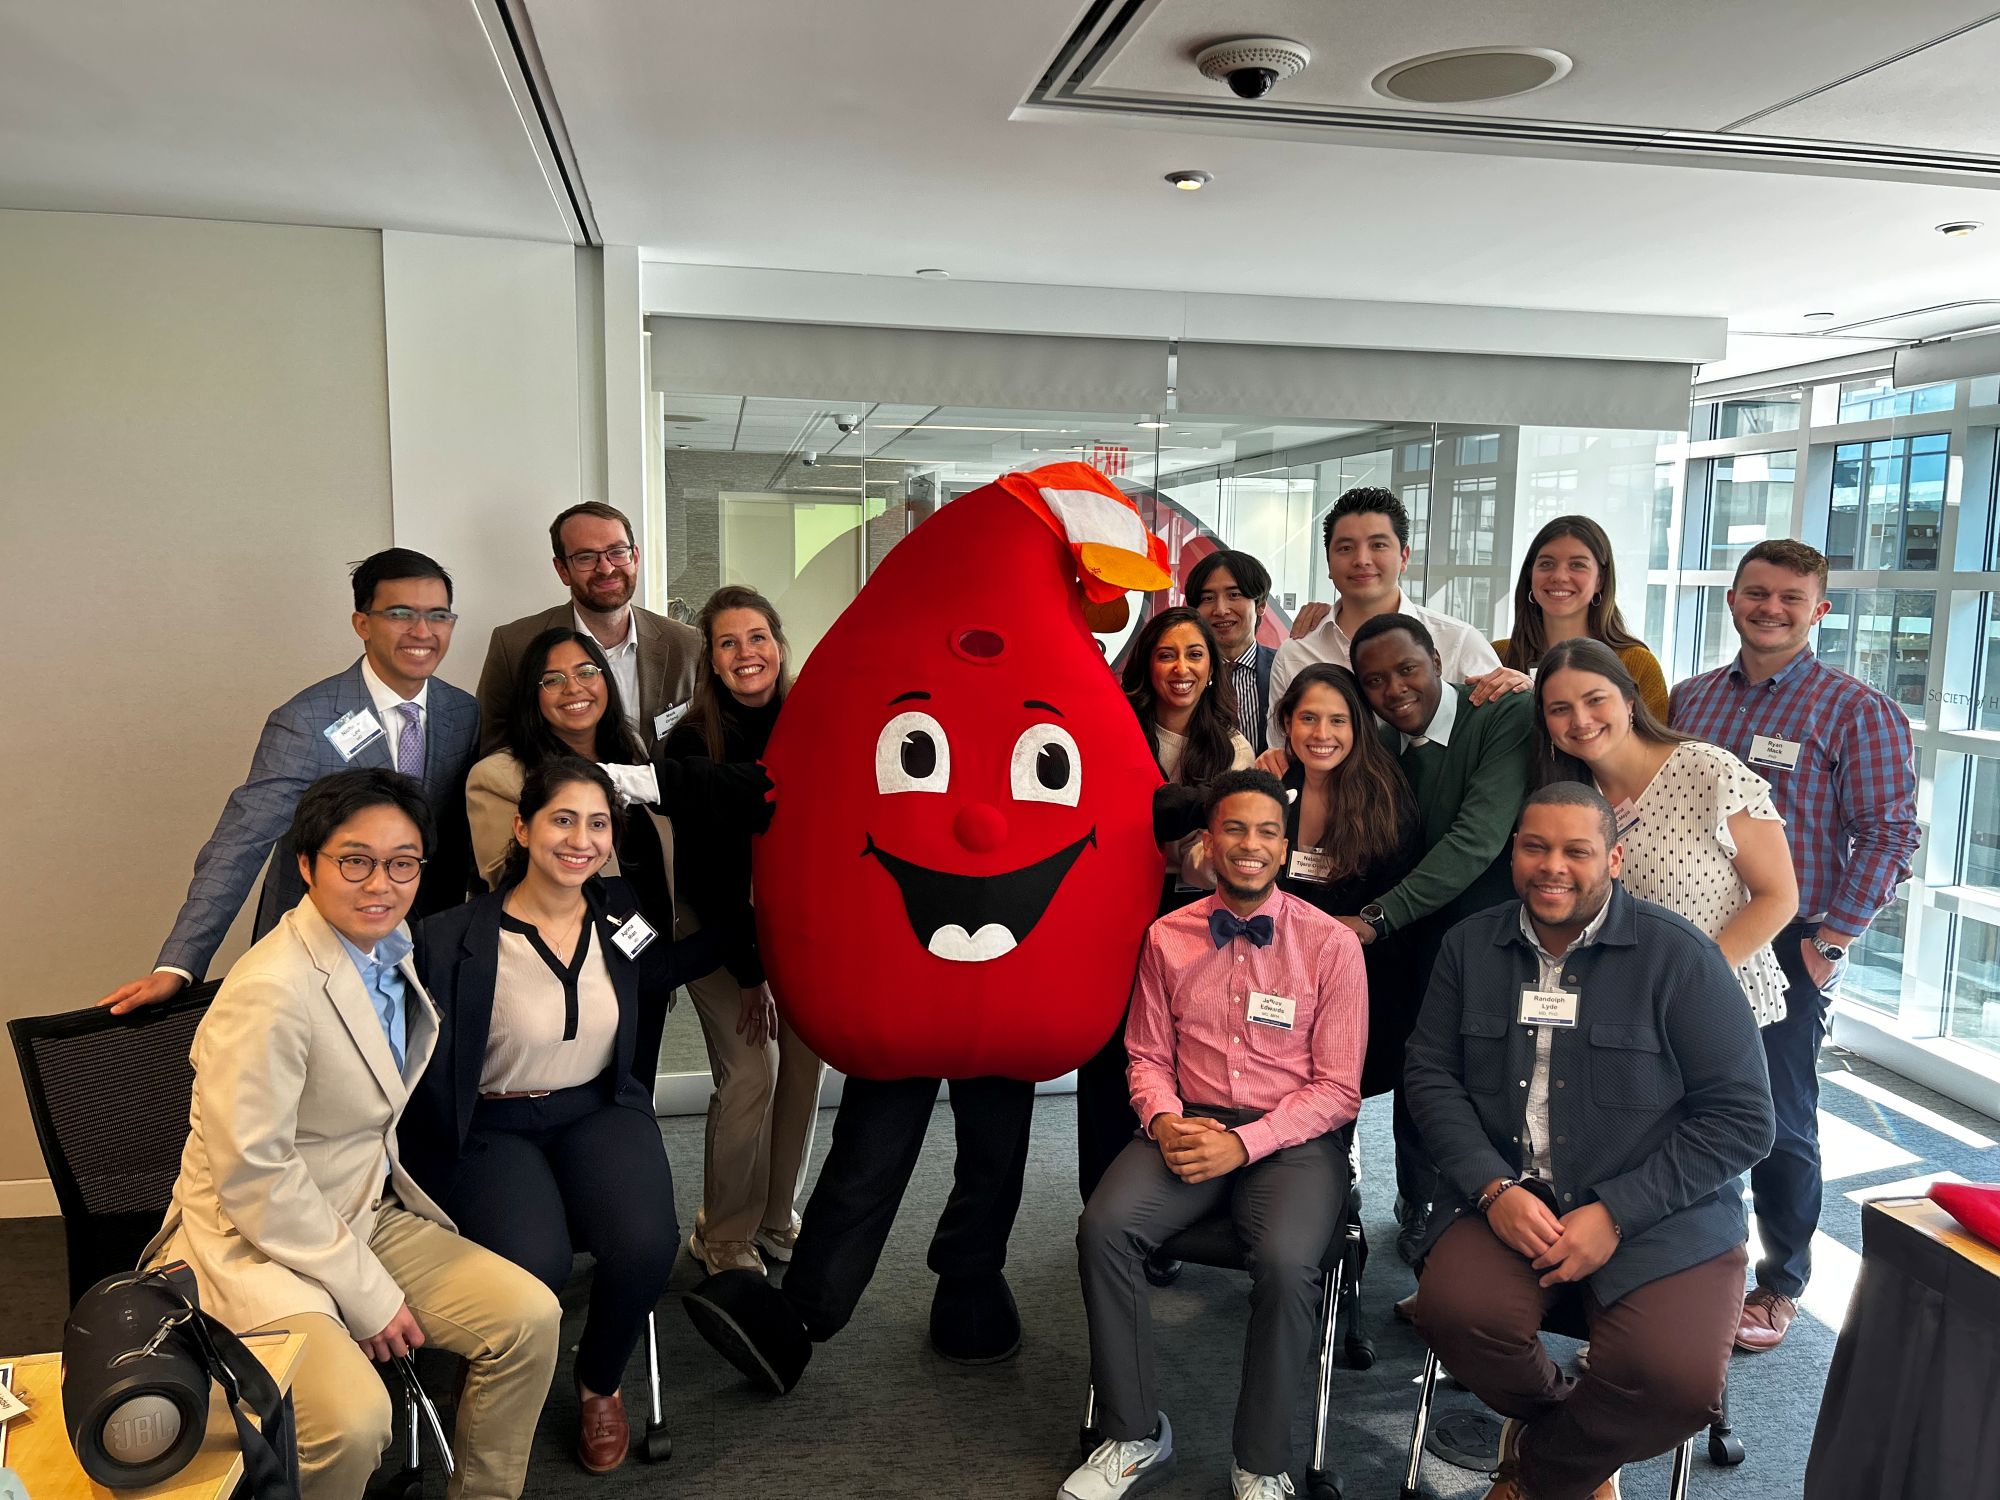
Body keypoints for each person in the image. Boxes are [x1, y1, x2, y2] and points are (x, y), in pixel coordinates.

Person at [142, 769, 560, 1500]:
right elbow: (257, 1181)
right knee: (355, 1420)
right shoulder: (270, 991)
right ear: (307, 866)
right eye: (355, 860)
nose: (381, 883)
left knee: (529, 1319)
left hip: (359, 1210)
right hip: (253, 1243)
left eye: (402, 863)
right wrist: (365, 1292)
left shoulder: (386, 947)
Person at [1404, 782, 1775, 1500]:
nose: (1553, 866)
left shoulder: (1680, 957)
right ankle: (1575, 1434)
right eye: (1536, 846)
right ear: (1514, 851)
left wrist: (1615, 1213)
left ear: (1614, 858)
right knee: (1453, 1316)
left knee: (1675, 1382)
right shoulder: (1469, 947)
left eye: (1577, 850)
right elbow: (1429, 1077)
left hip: (1662, 1210)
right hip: (1510, 1199)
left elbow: (1742, 1119)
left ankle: (1541, 1470)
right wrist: (1492, 1188)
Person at [1066, 770, 1367, 1500]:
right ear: (1208, 843)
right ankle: (1133, 1433)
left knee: (1290, 1259)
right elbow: (1144, 1054)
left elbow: (1337, 1089)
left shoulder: (1330, 945)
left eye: (1267, 832)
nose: (1251, 845)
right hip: (1187, 1122)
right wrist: (1165, 1120)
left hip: (1292, 1139)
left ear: (1286, 849)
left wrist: (1245, 1143)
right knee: (1103, 1229)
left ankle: (1260, 1463)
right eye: (1235, 829)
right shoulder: (1167, 937)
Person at [404, 759, 701, 1474]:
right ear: (523, 827)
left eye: (597, 823)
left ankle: (599, 1381)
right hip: (492, 1124)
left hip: (597, 1107)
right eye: (562, 819)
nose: (581, 839)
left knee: (645, 1245)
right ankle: (503, 1377)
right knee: (534, 1266)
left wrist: (757, 933)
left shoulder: (620, 909)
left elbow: (654, 973)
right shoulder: (451, 937)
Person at [1670, 539, 1920, 1353]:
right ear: (1733, 598)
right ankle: (1679, 1259)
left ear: (1819, 609)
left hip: (1788, 944)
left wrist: (1832, 943)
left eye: (1789, 596)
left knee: (1778, 1116)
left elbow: (1889, 835)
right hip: (1689, 935)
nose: (1768, 607)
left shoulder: (1856, 709)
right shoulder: (1690, 700)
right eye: (1755, 592)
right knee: (1674, 1101)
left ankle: (1780, 1281)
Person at [100, 550, 479, 1014]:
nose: (423, 632)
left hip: (424, 945)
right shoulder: (306, 720)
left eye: (438, 616)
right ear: (362, 623)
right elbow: (240, 842)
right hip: (320, 954)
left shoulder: (463, 711)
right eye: (401, 614)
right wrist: (178, 965)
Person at [1346, 611, 1534, 1264]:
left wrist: (1376, 915)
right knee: (1418, 1073)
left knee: (1483, 1085)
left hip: (1490, 945)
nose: (1395, 689)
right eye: (1374, 681)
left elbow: (1477, 839)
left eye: (1407, 669)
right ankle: (1417, 1200)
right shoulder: (1379, 739)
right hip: (1418, 945)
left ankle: (1474, 1212)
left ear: (1436, 659)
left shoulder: (1502, 714)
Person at [659, 586, 825, 1277]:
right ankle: (722, 1233)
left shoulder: (812, 723)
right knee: (752, 1071)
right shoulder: (692, 741)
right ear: (713, 662)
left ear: (778, 645)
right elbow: (709, 879)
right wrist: (755, 976)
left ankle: (774, 1215)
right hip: (717, 926)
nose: (745, 653)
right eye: (728, 643)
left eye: (757, 637)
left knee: (806, 1065)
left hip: (795, 922)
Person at [1078, 606, 1254, 1204]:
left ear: (1212, 668)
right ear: (1146, 664)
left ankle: (1169, 1206)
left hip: (1197, 920)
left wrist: (1203, 849)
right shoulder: (1112, 730)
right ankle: (1102, 1201)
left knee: (1178, 1059)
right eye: (1166, 654)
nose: (1181, 668)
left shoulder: (1233, 748)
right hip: (1114, 913)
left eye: (1195, 655)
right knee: (1110, 1061)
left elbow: (1228, 853)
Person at [1536, 637, 1796, 1026]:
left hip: (1719, 1002)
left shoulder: (1709, 772)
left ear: (1629, 700)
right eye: (1560, 709)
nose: (1580, 720)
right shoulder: (1574, 798)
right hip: (1628, 1007)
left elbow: (1778, 896)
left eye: (1595, 700)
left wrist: (1696, 980)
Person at [1265, 487, 1522, 755]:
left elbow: (1500, 732)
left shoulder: (1458, 641)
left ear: (1404, 557)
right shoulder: (1297, 653)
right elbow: (1281, 751)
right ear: (1328, 562)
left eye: (1378, 545)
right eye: (1345, 548)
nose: (1362, 560)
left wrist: (1524, 690)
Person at [1271, 663, 1422, 1098]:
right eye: (1308, 718)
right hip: (1278, 973)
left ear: (1359, 726)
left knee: (1339, 1092)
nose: (1322, 733)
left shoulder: (1386, 800)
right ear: (1287, 722)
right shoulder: (1272, 787)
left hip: (1363, 976)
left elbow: (1400, 901)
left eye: (1338, 720)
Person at [476, 501, 702, 755]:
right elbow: (492, 750)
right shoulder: (514, 645)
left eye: (617, 552)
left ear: (635, 557)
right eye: (586, 557)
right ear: (563, 570)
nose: (606, 568)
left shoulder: (687, 643)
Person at [1493, 515, 1670, 720]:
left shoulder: (1637, 664)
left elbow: (1653, 750)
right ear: (1530, 575)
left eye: (1577, 565)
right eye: (1546, 564)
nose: (1559, 576)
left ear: (1600, 581)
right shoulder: (1497, 656)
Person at [1186, 548, 1280, 753]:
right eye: (1208, 598)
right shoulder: (1184, 674)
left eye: (1234, 595)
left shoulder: (1284, 669)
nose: (1220, 610)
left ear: (1261, 605)